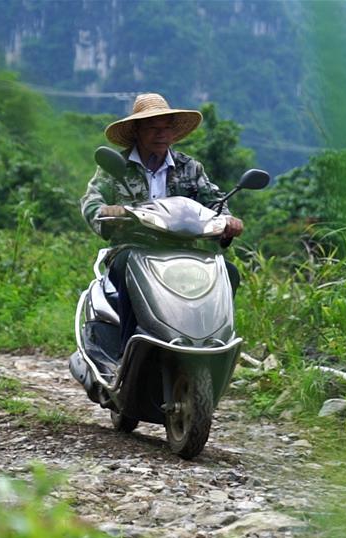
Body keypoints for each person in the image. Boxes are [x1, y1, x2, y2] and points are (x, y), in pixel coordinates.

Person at [80, 93, 244, 355]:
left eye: (167, 128)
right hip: (134, 249)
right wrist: (106, 211)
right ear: (137, 131)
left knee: (229, 273)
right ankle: (127, 351)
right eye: (153, 128)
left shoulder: (190, 168)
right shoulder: (116, 166)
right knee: (126, 269)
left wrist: (228, 220)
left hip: (186, 252)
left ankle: (215, 345)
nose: (162, 134)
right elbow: (91, 201)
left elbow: (215, 201)